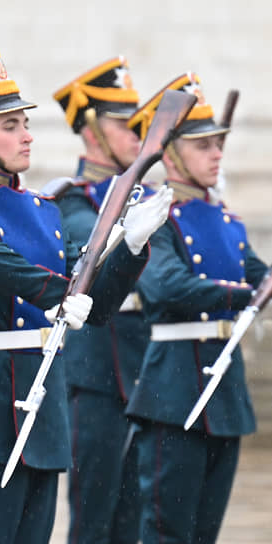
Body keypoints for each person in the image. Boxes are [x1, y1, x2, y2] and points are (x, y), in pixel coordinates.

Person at [0, 43, 171, 543]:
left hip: (43, 413)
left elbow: (93, 305)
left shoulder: (41, 208)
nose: (26, 136)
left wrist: (131, 246)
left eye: (24, 124)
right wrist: (54, 290)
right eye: (8, 125)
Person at [125, 73, 268, 544]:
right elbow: (166, 286)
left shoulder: (226, 218)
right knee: (167, 530)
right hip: (174, 387)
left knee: (205, 532)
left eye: (218, 144)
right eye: (203, 145)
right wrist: (245, 296)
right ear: (169, 153)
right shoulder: (154, 213)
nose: (217, 154)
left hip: (223, 390)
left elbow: (258, 273)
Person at [51, 57, 146, 544]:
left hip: (143, 375)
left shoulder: (143, 195)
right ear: (91, 129)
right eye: (125, 126)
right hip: (95, 382)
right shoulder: (73, 200)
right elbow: (95, 258)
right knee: (93, 519)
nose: (138, 136)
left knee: (134, 521)